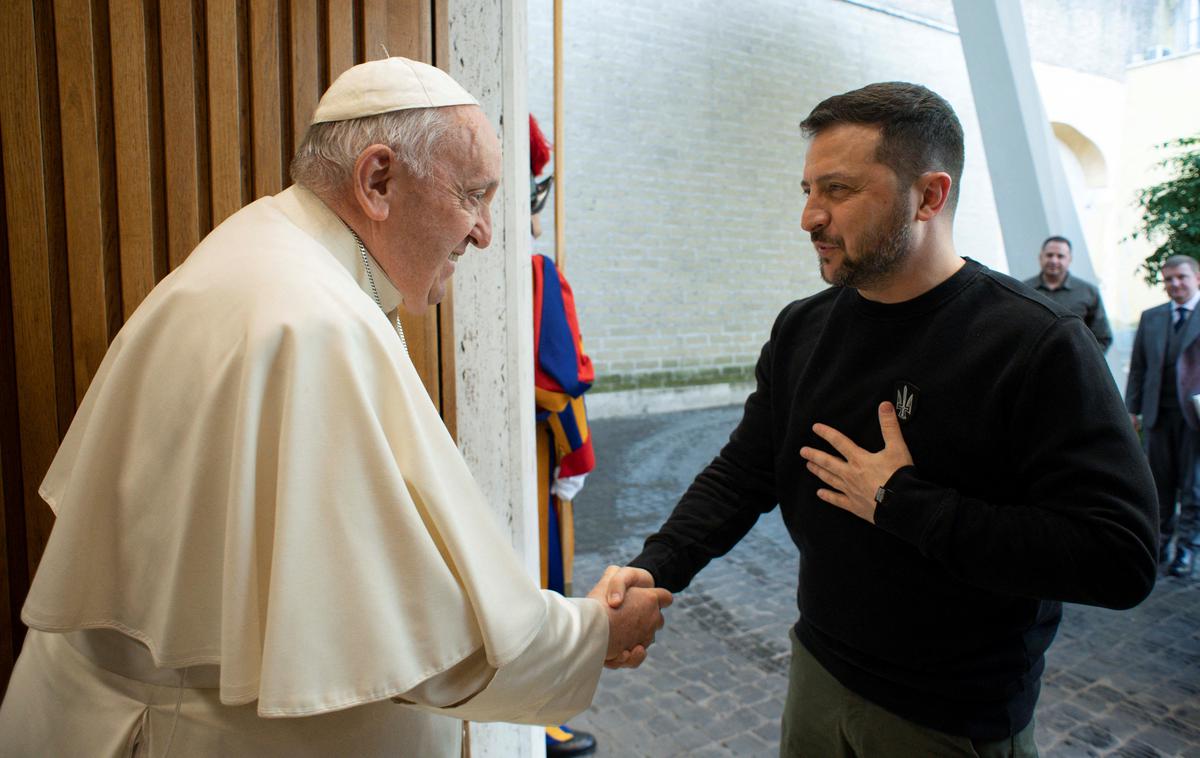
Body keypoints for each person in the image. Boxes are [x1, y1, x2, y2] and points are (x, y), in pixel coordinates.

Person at [0, 57, 671, 757]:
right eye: (474, 195)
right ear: (377, 180)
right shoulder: (313, 322)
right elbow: (416, 638)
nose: (484, 233)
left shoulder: (264, 249)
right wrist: (593, 635)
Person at [606, 82, 1157, 757]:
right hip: (816, 673)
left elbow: (1120, 558)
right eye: (806, 190)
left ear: (929, 196)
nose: (809, 217)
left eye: (837, 191)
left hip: (951, 718)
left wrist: (902, 502)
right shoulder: (804, 328)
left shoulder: (1036, 344)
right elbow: (743, 474)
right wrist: (655, 569)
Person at [529, 113, 600, 757]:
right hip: (533, 449)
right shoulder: (536, 272)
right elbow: (560, 379)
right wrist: (577, 451)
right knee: (546, 569)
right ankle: (545, 716)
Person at [1126, 255, 1200, 578]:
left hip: (1195, 418)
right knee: (1159, 485)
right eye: (1168, 279)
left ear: (1197, 278)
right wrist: (1132, 408)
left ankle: (1187, 549)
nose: (1174, 284)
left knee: (1194, 487)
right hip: (1158, 414)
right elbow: (1139, 367)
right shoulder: (1151, 317)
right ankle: (1159, 543)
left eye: (1181, 277)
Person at [1022, 235, 1113, 353]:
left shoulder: (1089, 292)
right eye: (1049, 255)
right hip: (1032, 368)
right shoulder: (1023, 290)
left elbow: (1102, 337)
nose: (1054, 260)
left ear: (1069, 259)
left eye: (1060, 256)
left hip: (1075, 367)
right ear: (1040, 257)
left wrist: (1084, 363)